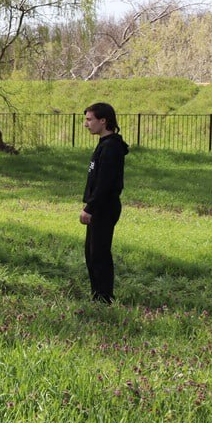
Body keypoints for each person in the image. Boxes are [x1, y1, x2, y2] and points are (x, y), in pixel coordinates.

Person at [80, 102, 129, 304]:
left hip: (104, 207)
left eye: (89, 119)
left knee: (99, 254)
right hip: (98, 206)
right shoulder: (104, 144)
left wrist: (90, 208)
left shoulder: (111, 148)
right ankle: (97, 296)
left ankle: (104, 299)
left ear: (103, 121)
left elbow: (105, 183)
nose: (86, 124)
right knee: (92, 254)